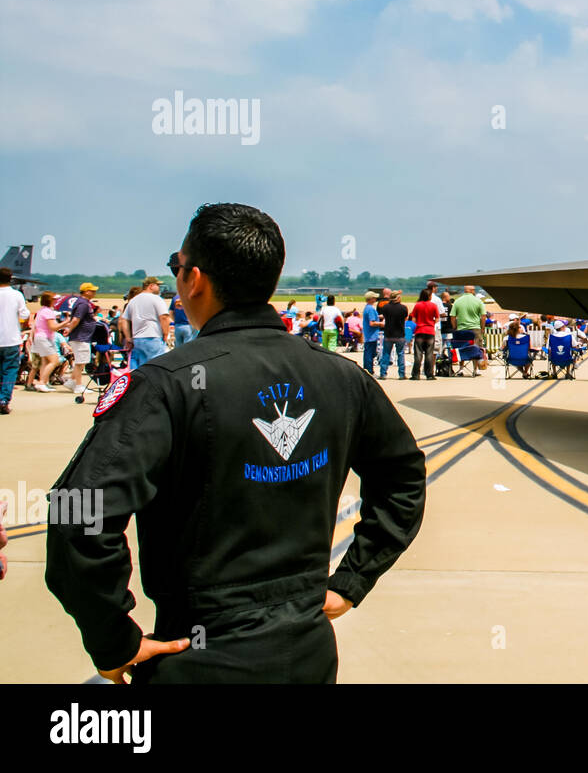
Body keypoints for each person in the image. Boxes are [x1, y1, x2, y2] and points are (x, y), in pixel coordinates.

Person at [45, 203, 426, 683]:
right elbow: (404, 475)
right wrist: (352, 580)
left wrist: (112, 637)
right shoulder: (342, 377)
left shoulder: (167, 385)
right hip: (307, 653)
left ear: (195, 279)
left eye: (175, 267)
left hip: (200, 657)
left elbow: (77, 513)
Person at [122, 276, 172, 370]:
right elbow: (164, 317)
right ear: (151, 286)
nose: (159, 288)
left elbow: (124, 319)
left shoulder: (134, 300)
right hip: (153, 337)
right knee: (156, 367)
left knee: (140, 368)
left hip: (137, 339)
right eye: (158, 285)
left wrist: (128, 337)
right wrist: (166, 334)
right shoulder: (156, 299)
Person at [63, 282, 101, 402]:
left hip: (83, 336)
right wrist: (69, 329)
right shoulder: (83, 304)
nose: (94, 293)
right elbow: (76, 319)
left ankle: (71, 381)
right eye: (92, 291)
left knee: (82, 360)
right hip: (80, 337)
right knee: (81, 362)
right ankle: (78, 385)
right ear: (86, 291)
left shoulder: (83, 303)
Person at [0, 267, 30, 414]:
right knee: (10, 371)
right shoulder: (16, 295)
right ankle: (4, 400)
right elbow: (24, 315)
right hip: (11, 339)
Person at [29, 291, 63, 392]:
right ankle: (42, 382)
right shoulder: (48, 311)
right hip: (44, 338)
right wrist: (65, 323)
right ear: (49, 300)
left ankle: (43, 382)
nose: (56, 301)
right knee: (54, 360)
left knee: (45, 361)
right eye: (54, 299)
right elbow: (53, 327)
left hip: (40, 337)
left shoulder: (42, 310)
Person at [451, 285, 489, 373]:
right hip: (475, 328)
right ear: (472, 291)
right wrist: (482, 328)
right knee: (476, 348)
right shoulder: (478, 301)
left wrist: (455, 327)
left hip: (461, 329)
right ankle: (475, 369)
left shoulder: (458, 301)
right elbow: (483, 316)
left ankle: (461, 368)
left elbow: (453, 317)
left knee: (461, 347)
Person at [409, 289, 440, 380]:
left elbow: (413, 319)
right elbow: (437, 319)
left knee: (418, 354)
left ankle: (415, 374)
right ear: (429, 296)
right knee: (429, 354)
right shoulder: (433, 305)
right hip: (430, 331)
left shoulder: (418, 305)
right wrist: (431, 323)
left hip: (420, 331)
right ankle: (429, 374)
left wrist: (419, 323)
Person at [378, 290, 409, 380]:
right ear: (398, 298)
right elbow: (405, 318)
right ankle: (402, 374)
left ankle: (383, 373)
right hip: (400, 334)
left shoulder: (385, 307)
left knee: (386, 354)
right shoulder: (403, 308)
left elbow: (384, 316)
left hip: (388, 333)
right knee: (400, 354)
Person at [361, 292, 383, 374]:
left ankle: (367, 369)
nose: (375, 299)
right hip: (371, 335)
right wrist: (382, 324)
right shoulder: (370, 309)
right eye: (374, 298)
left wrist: (379, 316)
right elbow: (372, 323)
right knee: (370, 354)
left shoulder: (367, 308)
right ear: (370, 299)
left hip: (368, 334)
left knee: (368, 353)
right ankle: (369, 371)